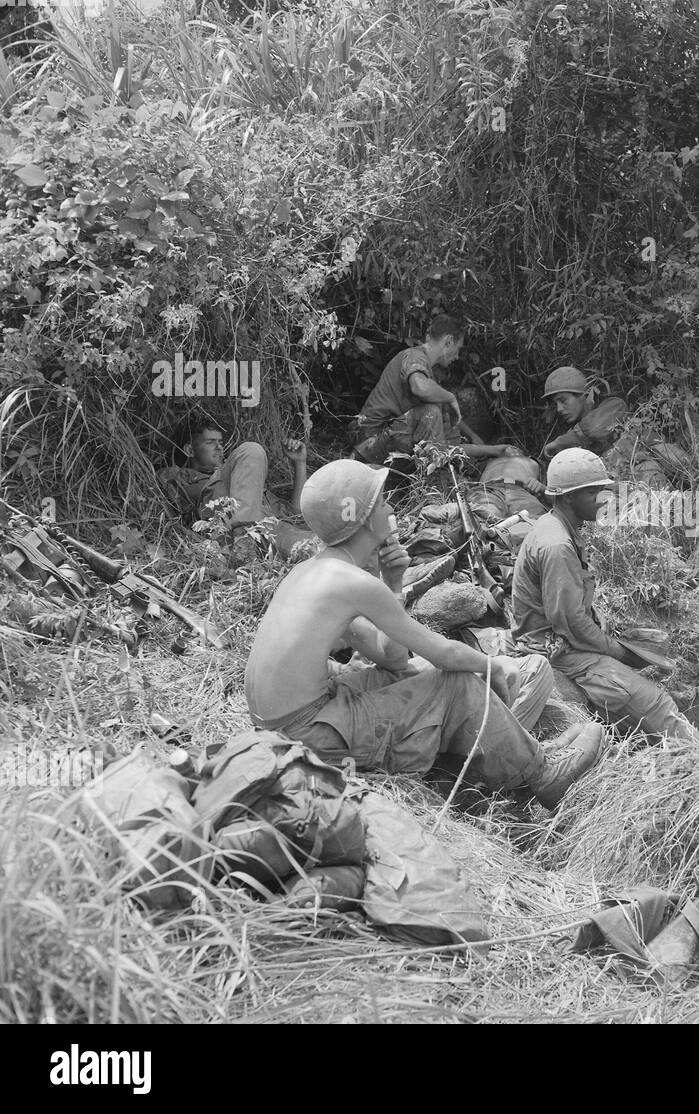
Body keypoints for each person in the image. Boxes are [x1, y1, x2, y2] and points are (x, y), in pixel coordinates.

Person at [244, 459, 601, 808]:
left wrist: (395, 583)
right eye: (381, 502)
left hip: (292, 725)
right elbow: (443, 654)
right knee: (456, 681)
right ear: (362, 517)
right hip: (310, 732)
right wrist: (495, 665)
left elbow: (393, 658)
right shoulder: (349, 581)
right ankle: (541, 776)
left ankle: (519, 753)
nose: (390, 509)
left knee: (417, 674)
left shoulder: (317, 571)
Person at [511, 448, 699, 742]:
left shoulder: (561, 526)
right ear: (568, 497)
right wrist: (617, 652)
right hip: (556, 650)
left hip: (564, 638)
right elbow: (570, 623)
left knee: (656, 645)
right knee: (655, 702)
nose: (604, 499)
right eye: (594, 492)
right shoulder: (557, 544)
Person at [353, 315, 520, 465]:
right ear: (448, 342)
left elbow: (447, 446)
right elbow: (420, 387)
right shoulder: (413, 356)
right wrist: (450, 398)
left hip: (388, 442)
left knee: (437, 419)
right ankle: (437, 482)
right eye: (458, 349)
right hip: (368, 444)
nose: (456, 356)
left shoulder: (429, 376)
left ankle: (438, 480)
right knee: (430, 411)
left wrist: (496, 450)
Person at [156, 417, 314, 557]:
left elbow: (297, 515)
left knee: (322, 549)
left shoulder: (246, 482)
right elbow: (165, 484)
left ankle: (247, 544)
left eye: (220, 442)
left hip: (269, 531)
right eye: (210, 442)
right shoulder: (181, 476)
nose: (219, 447)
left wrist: (300, 463)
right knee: (252, 450)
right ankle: (243, 542)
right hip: (227, 531)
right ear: (190, 450)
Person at [539, 365, 687, 485]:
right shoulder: (574, 439)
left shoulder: (613, 404)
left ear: (582, 395)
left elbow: (594, 428)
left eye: (563, 401)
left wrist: (559, 443)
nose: (559, 409)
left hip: (660, 469)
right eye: (556, 404)